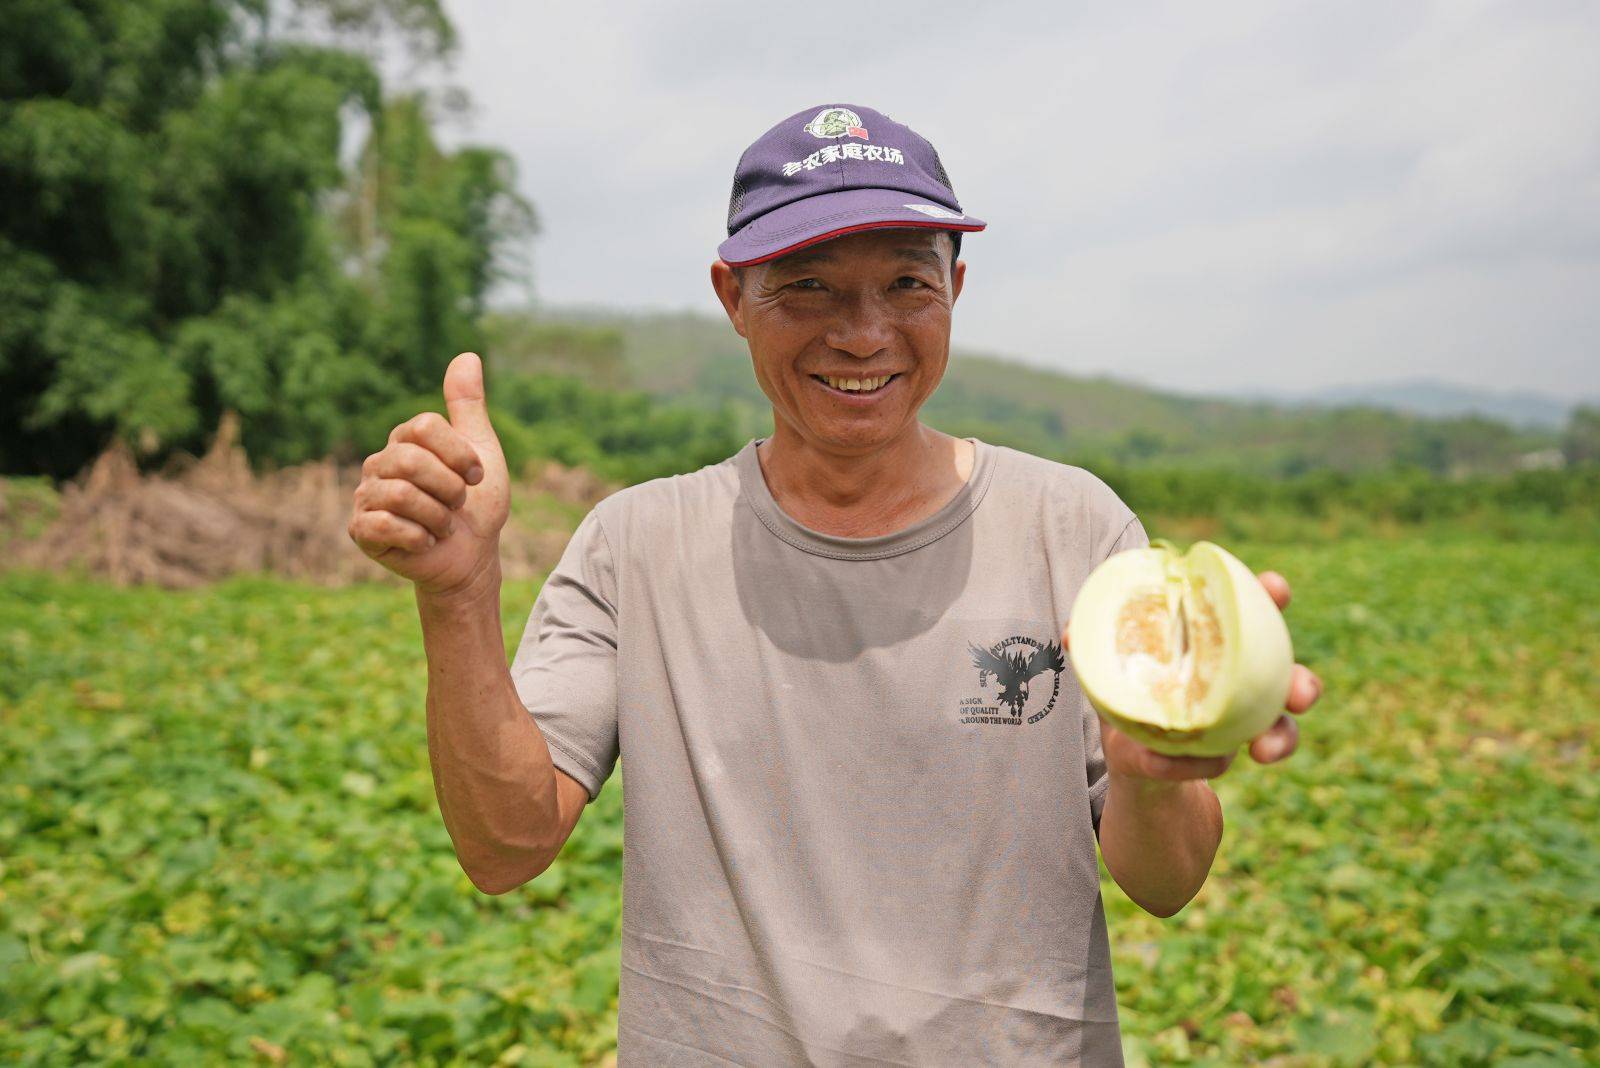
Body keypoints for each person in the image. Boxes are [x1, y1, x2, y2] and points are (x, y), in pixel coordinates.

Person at [347, 103, 1323, 1066]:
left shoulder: (1073, 529)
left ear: (956, 286)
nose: (863, 335)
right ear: (733, 298)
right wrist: (458, 593)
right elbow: (505, 846)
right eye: (807, 287)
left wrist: (1154, 772)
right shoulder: (634, 547)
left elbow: (1164, 882)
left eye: (906, 283)